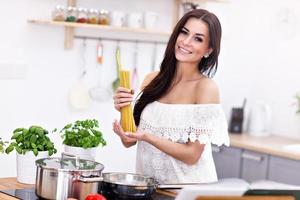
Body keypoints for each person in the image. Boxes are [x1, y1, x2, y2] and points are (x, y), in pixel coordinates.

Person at [113, 9, 229, 184]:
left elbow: (192, 155)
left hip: (189, 191)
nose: (186, 42)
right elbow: (129, 141)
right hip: (151, 189)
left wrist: (147, 137)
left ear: (208, 50)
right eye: (184, 32)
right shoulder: (152, 79)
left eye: (198, 38)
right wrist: (124, 109)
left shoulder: (205, 88)